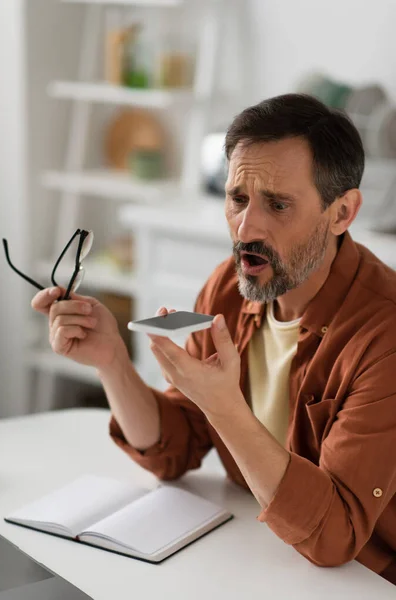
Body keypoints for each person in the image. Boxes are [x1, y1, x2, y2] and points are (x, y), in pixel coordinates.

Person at [32, 94, 396, 585]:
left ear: (342, 212)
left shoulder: (385, 334)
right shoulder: (231, 285)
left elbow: (335, 536)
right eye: (238, 198)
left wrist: (224, 407)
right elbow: (174, 447)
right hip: (254, 556)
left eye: (278, 204)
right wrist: (111, 360)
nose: (246, 228)